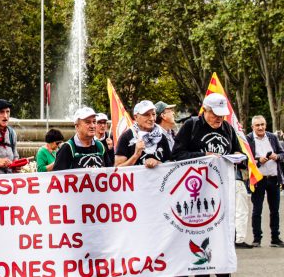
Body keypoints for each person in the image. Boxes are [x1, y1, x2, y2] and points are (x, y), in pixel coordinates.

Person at [171, 93, 241, 277]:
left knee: (223, 239)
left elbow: (238, 152)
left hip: (222, 193)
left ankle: (223, 271)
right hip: (196, 194)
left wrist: (237, 158)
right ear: (205, 110)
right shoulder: (191, 126)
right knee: (201, 238)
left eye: (222, 114)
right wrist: (204, 155)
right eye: (215, 114)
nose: (219, 118)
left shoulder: (227, 128)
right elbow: (177, 154)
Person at [246, 115, 283, 248]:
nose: (260, 127)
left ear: (266, 125)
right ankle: (257, 238)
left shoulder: (272, 137)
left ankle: (275, 238)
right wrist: (258, 161)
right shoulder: (248, 139)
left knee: (275, 210)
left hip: (273, 178)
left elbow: (282, 154)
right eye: (257, 125)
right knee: (257, 210)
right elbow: (245, 160)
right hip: (258, 179)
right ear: (252, 127)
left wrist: (277, 156)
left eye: (262, 124)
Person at [115, 101, 172, 168]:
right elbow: (117, 169)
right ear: (136, 117)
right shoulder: (126, 137)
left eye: (153, 114)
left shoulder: (161, 135)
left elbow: (169, 163)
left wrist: (157, 162)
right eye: (146, 115)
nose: (151, 118)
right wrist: (136, 156)